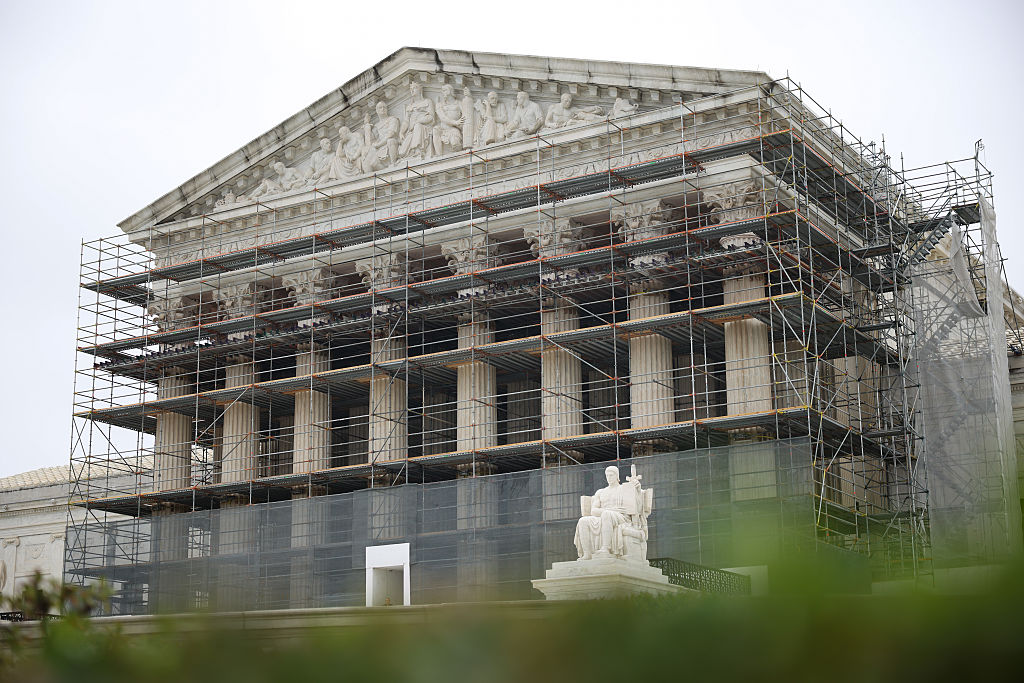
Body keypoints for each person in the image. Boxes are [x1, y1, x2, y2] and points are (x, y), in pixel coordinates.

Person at [574, 465, 643, 560]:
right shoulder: (600, 492)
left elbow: (637, 506)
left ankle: (606, 548)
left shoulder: (624, 489)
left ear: (617, 476)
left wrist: (638, 490)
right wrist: (610, 510)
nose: (609, 478)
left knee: (606, 515)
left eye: (611, 475)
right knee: (583, 521)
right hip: (604, 516)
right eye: (607, 475)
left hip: (621, 517)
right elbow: (593, 511)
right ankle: (587, 553)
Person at [399, 81, 436, 160]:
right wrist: (401, 132)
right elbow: (406, 121)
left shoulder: (427, 101)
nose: (412, 90)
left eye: (415, 88)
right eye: (411, 89)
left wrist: (419, 121)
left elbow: (431, 117)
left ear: (420, 90)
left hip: (424, 128)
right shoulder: (409, 106)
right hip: (411, 131)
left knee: (417, 126)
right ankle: (412, 152)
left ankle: (418, 151)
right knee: (402, 153)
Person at [363, 100, 400, 171]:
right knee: (370, 161)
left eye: (384, 107)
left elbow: (391, 134)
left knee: (390, 140)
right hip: (381, 148)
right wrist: (367, 124)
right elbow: (370, 142)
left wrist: (378, 145)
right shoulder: (376, 126)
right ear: (377, 111)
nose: (382, 109)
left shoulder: (393, 119)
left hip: (391, 145)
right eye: (380, 108)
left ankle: (393, 164)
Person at [433, 83, 464, 156]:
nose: (443, 92)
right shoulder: (439, 104)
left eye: (445, 90)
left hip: (454, 129)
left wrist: (461, 125)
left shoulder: (459, 103)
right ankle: (439, 156)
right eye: (442, 91)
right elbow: (442, 117)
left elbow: (465, 115)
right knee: (435, 129)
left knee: (456, 144)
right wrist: (455, 122)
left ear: (450, 91)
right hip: (443, 129)